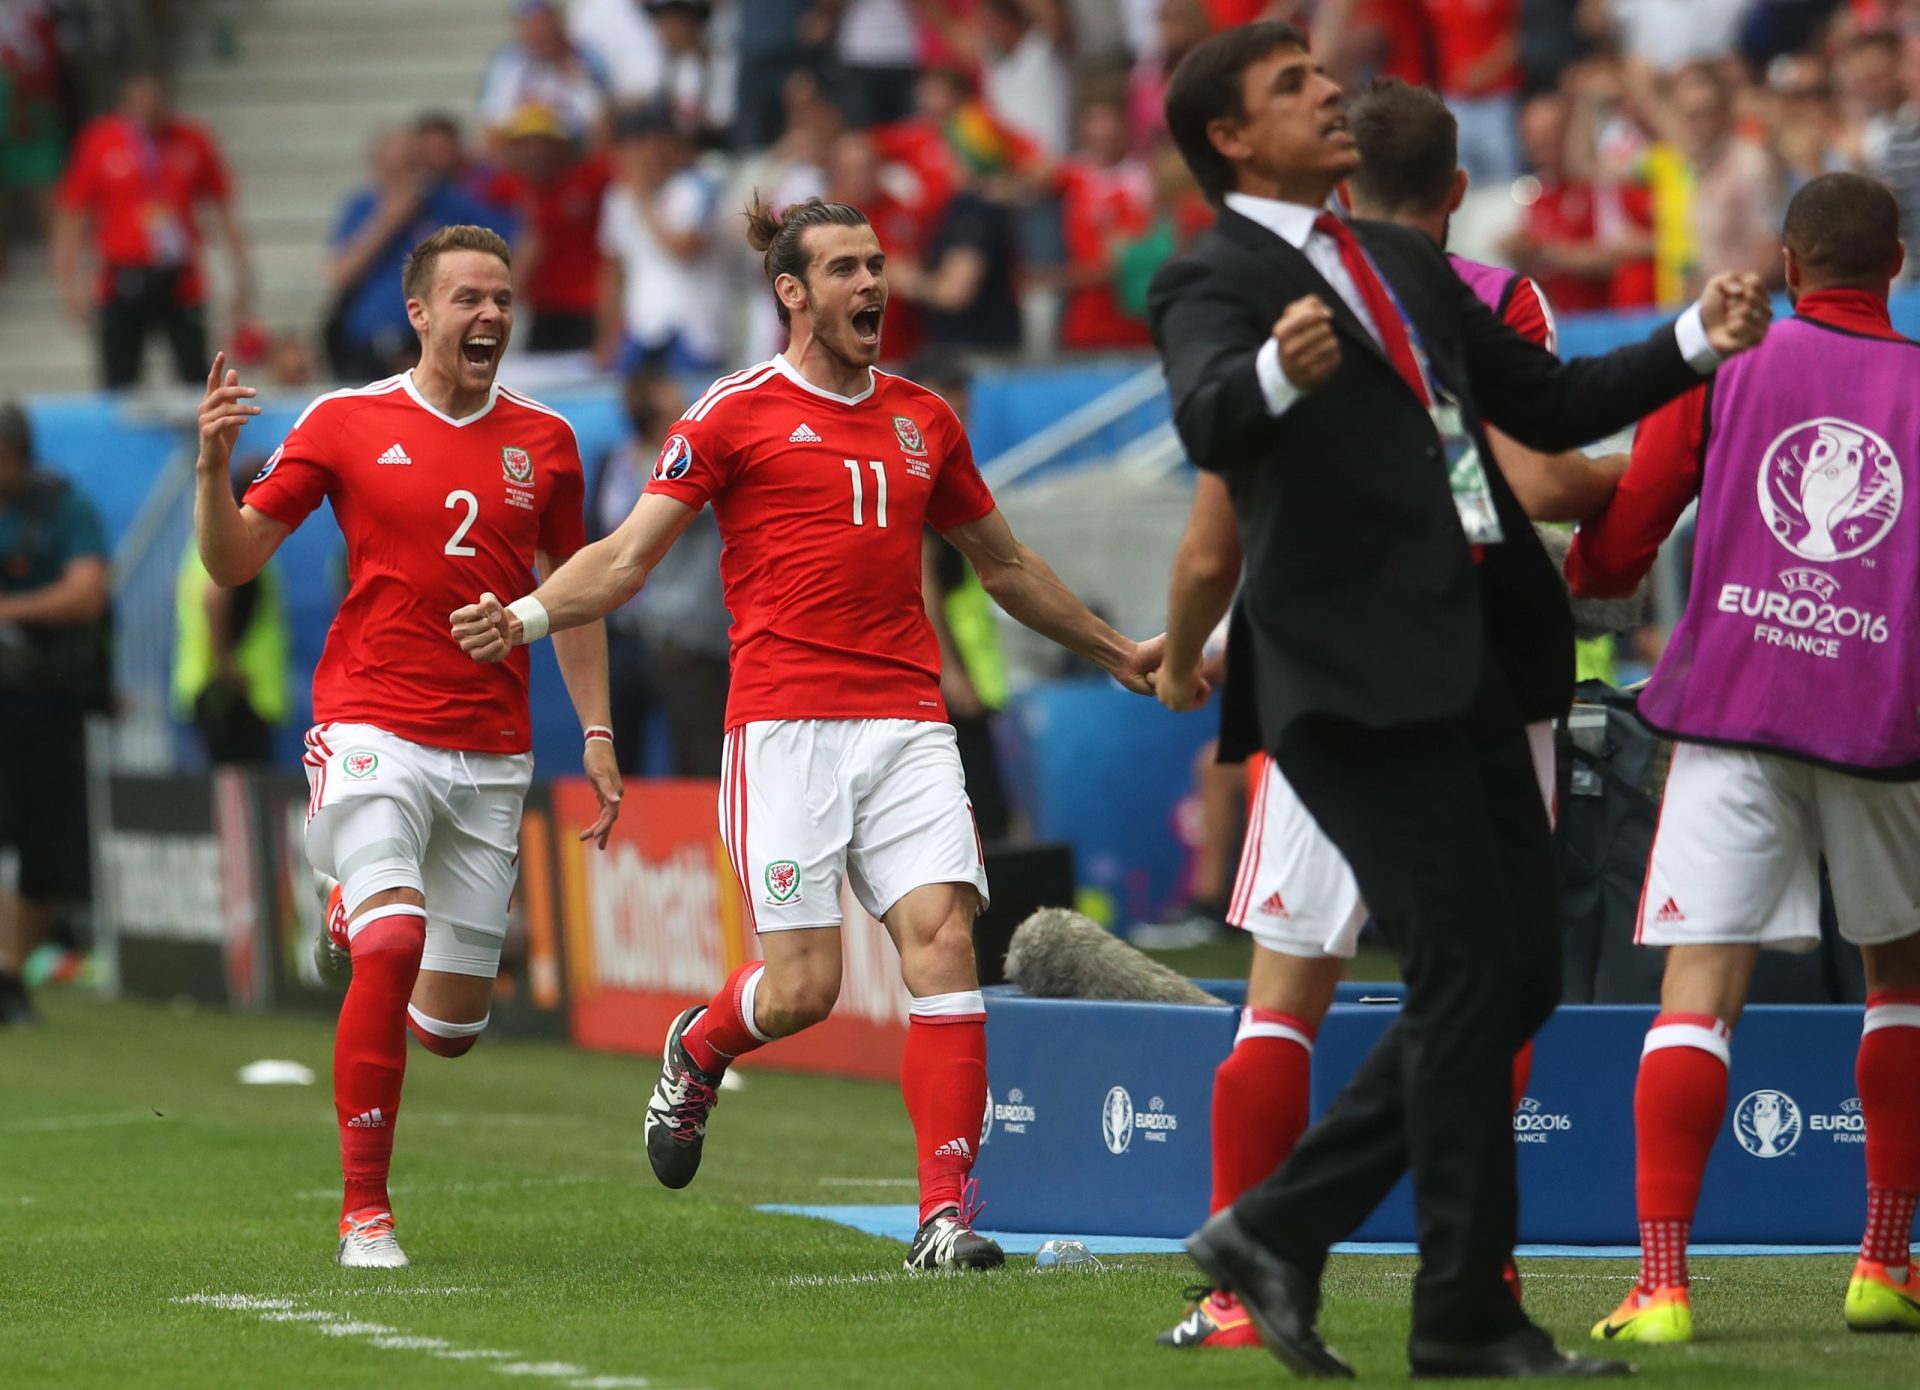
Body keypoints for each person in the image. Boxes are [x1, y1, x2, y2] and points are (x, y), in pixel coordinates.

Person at [1147, 21, 1768, 1378]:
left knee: (1518, 973)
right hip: (1350, 685)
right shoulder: (1214, 274)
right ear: (1232, 139)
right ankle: (1375, 1270)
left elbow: (1547, 399)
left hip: (1479, 660)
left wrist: (1694, 339)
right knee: (1470, 970)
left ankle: (1393, 1282)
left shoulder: (1404, 261)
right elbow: (1205, 418)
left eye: (1324, 75)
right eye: (1294, 85)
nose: (1329, 94)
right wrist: (1274, 372)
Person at [450, 194, 1166, 1272]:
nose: (872, 285)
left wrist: (1117, 651)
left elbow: (1004, 565)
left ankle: (943, 1217)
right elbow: (629, 556)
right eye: (845, 270)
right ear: (792, 292)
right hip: (785, 731)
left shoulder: (926, 418)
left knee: (942, 941)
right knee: (804, 990)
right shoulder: (732, 413)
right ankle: (698, 1045)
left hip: (909, 722)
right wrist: (527, 614)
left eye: (878, 265)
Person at [193, 224, 621, 1270]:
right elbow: (236, 558)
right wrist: (212, 468)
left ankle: (366, 904)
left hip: (489, 751)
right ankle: (365, 1214)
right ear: (420, 314)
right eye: (468, 298)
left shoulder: (550, 442)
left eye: (503, 300)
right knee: (386, 945)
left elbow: (579, 594)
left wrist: (599, 731)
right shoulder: (343, 421)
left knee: (454, 1026)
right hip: (372, 723)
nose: (490, 316)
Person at [1567, 172, 1920, 1344]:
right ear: (1898, 265)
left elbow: (1636, 513)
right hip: (1888, 722)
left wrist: (1592, 584)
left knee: (1698, 990)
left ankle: (1662, 1284)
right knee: (1900, 981)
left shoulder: (1723, 362)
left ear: (1785, 262)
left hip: (1730, 706)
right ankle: (1882, 1264)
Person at [0, 400, 108, 1028]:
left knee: (45, 851)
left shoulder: (63, 508)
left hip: (45, 707)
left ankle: (11, 974)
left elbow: (86, 591)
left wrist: (10, 614)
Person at [51, 70, 255, 390]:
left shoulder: (192, 140)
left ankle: (201, 437)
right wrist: (68, 284)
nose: (148, 111)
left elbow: (222, 208)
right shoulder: (100, 142)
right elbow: (72, 215)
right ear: (125, 103)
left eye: (156, 102)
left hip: (179, 275)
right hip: (122, 276)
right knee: (119, 380)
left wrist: (242, 275)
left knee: (195, 376)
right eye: (139, 102)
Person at [326, 129, 516, 382]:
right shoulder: (362, 207)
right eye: (391, 168)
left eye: (408, 167)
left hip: (431, 339)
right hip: (367, 343)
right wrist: (390, 220)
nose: (400, 176)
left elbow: (515, 239)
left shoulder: (448, 204)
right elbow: (340, 274)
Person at [594, 103, 730, 374]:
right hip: (641, 331)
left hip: (696, 334)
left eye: (656, 141)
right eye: (637, 144)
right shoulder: (618, 197)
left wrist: (642, 199)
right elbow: (614, 270)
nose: (649, 152)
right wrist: (606, 338)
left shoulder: (703, 183)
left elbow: (683, 248)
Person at [172, 455, 290, 767]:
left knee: (228, 792)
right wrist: (227, 667)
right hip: (235, 696)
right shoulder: (241, 541)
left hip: (214, 688)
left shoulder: (209, 540)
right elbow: (214, 599)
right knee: (240, 797)